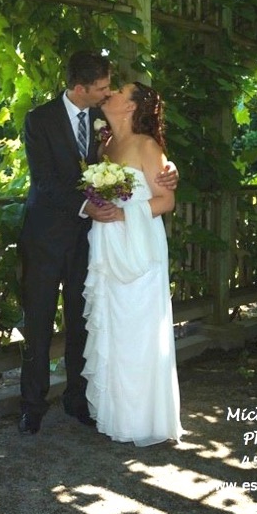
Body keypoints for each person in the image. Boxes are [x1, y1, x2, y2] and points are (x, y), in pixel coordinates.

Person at [17, 52, 178, 435]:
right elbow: (44, 181)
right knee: (37, 324)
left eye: (111, 88)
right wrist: (89, 206)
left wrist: (169, 171)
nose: (107, 93)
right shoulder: (39, 120)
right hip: (44, 239)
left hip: (90, 244)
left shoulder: (104, 127)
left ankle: (78, 400)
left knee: (82, 324)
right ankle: (32, 407)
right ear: (80, 88)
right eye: (102, 88)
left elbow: (144, 161)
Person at [81, 81, 184, 445]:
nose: (110, 94)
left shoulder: (146, 145)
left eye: (119, 91)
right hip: (107, 247)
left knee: (139, 330)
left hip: (138, 247)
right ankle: (118, 417)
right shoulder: (104, 144)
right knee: (114, 328)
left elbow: (165, 202)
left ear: (131, 107)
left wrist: (124, 216)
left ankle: (144, 420)